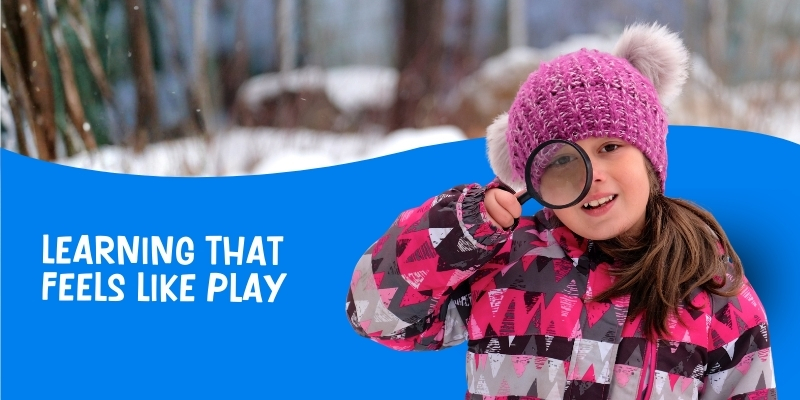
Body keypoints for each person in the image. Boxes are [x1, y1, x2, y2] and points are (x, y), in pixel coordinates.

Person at [345, 22, 776, 400]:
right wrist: (462, 229)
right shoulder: (503, 264)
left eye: (610, 147)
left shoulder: (709, 287)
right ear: (535, 182)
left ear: (650, 157)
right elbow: (375, 316)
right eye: (563, 162)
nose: (594, 176)